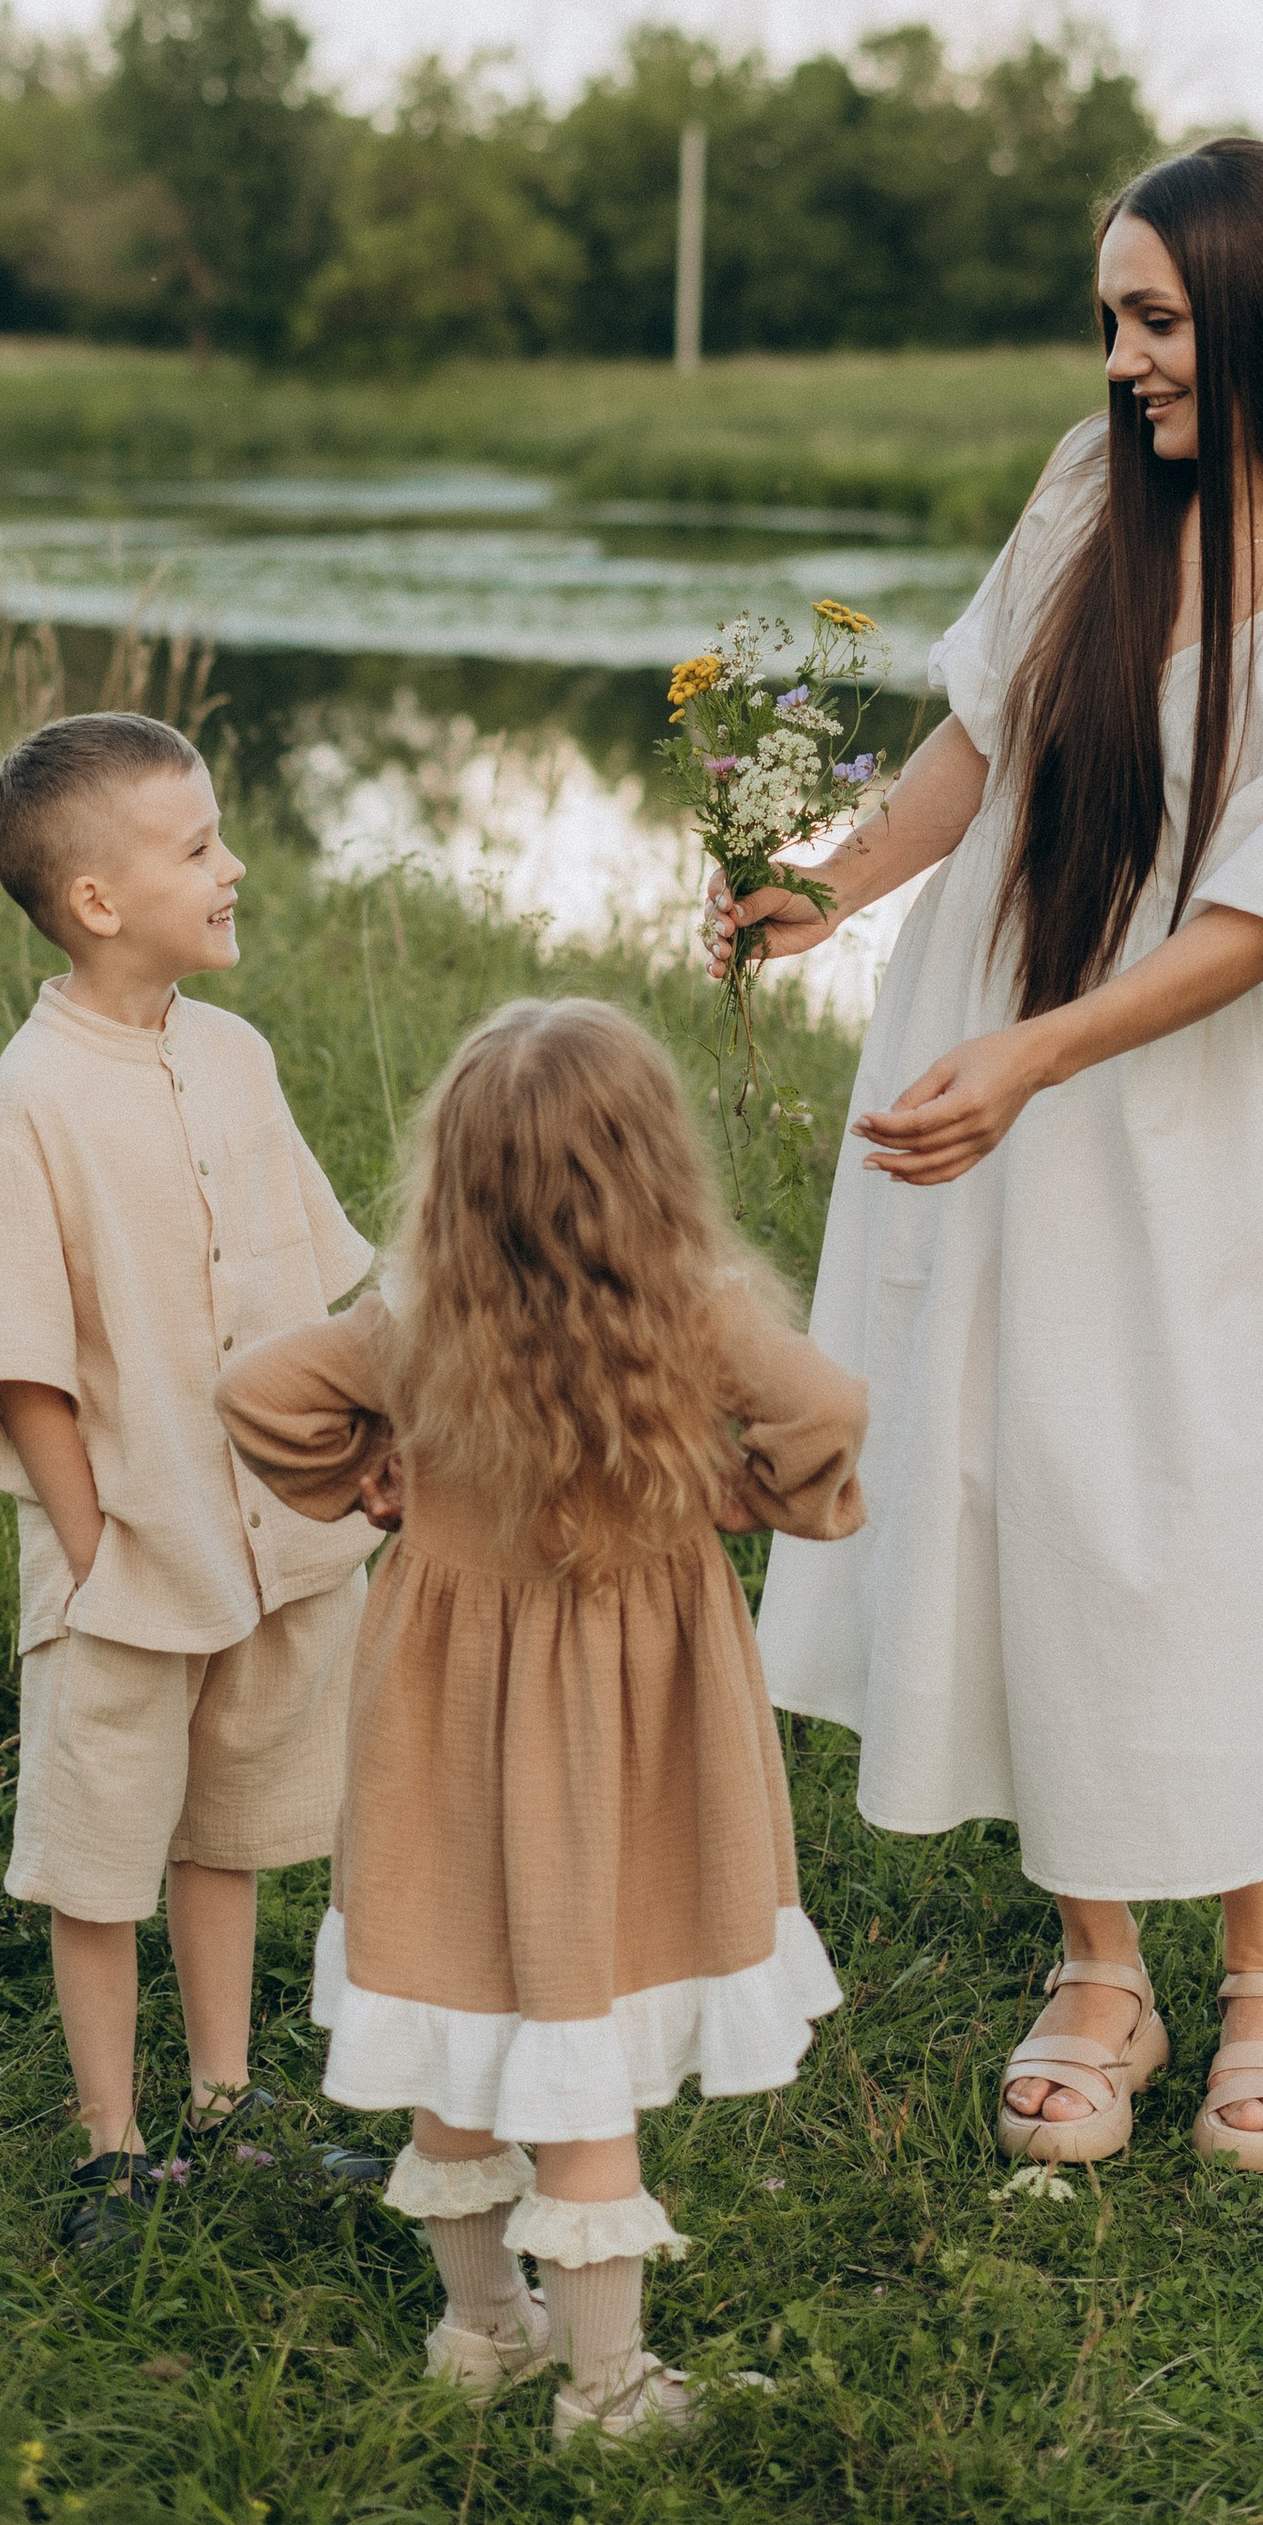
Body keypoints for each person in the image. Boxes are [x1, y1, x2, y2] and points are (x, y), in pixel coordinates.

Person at [721, 139, 1263, 2173]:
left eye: (1153, 319)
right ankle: (1094, 1961)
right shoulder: (1088, 492)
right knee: (1011, 1469)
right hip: (994, 1051)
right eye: (1111, 320)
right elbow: (980, 737)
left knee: (1192, 1487)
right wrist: (826, 885)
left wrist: (1041, 1057)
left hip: (1164, 1097)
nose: (1125, 358)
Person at [219, 996, 865, 2443]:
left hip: (444, 1733)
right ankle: (609, 2391)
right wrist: (737, 1494)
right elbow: (827, 1413)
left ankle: (480, 2330)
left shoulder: (411, 1325)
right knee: (582, 2046)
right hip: (625, 1745)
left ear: (454, 1176)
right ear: (653, 1172)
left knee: (456, 2011)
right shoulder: (694, 1320)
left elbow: (256, 1392)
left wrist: (369, 1471)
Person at [0, 712, 378, 2244]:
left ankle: (225, 2099)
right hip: (127, 1558)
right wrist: (94, 1553)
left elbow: (313, 1300)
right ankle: (111, 2147)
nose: (233, 866)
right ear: (99, 903)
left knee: (235, 1827)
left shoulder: (238, 1058)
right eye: (199, 846)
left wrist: (360, 1462)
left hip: (266, 1537)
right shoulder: (31, 1112)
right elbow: (24, 1370)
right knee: (105, 1855)